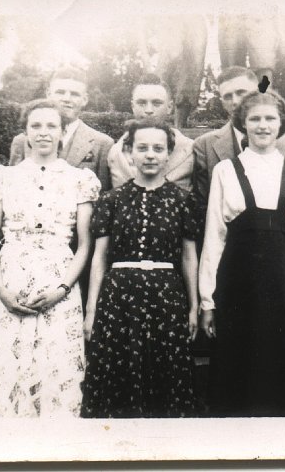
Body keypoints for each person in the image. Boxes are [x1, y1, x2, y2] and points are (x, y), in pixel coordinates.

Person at [0, 99, 101, 418]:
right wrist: (1, 288)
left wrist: (62, 288)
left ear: (62, 132)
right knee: (7, 366)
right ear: (26, 132)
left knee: (56, 366)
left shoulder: (80, 179)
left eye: (51, 126)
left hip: (59, 280)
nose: (43, 133)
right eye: (36, 126)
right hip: (10, 277)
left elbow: (84, 244)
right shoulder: (4, 176)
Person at [199, 90, 285, 417]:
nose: (263, 126)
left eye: (270, 119)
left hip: (281, 283)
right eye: (255, 119)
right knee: (235, 366)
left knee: (276, 362)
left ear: (281, 124)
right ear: (243, 123)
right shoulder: (225, 170)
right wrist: (208, 301)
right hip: (237, 282)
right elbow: (214, 238)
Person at [82, 119, 200, 418]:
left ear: (169, 154)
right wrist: (92, 309)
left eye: (158, 148)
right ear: (129, 152)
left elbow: (188, 256)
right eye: (142, 148)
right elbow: (100, 257)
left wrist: (193, 307)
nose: (150, 155)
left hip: (166, 298)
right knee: (117, 368)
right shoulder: (111, 200)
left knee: (164, 371)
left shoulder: (183, 200)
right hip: (118, 298)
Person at [192, 67, 285, 222]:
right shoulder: (205, 145)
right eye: (227, 96)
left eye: (241, 92)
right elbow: (202, 207)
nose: (235, 101)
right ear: (222, 102)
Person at [9, 68, 114, 191]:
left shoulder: (102, 143)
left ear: (85, 99)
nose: (67, 99)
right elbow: (12, 188)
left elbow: (103, 197)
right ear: (48, 94)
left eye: (74, 94)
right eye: (60, 92)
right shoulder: (22, 141)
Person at [107, 74, 194, 190]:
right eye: (141, 103)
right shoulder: (115, 152)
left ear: (170, 107)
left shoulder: (190, 150)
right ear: (133, 106)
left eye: (157, 103)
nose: (149, 110)